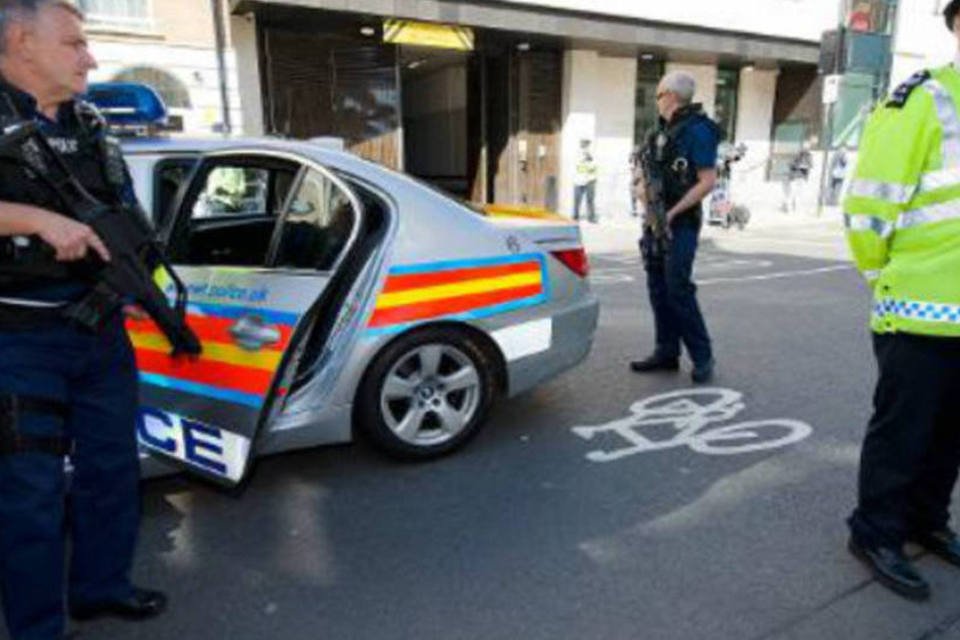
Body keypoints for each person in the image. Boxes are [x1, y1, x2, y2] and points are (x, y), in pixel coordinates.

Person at [0, 2, 166, 638]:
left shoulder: (92, 124)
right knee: (30, 492)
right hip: (18, 340)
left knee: (111, 468)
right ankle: (37, 628)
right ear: (21, 41)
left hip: (98, 331)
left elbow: (123, 212)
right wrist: (37, 220)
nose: (90, 56)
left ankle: (101, 588)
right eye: (75, 43)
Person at [843, 0, 960, 602]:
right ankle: (876, 530)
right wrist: (881, 276)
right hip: (917, 309)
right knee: (904, 431)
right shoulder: (926, 99)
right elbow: (868, 207)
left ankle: (926, 520)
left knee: (949, 437)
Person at [630, 71, 719, 383]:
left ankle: (702, 357)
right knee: (657, 287)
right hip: (654, 220)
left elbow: (708, 181)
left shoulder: (699, 130)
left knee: (678, 288)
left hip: (681, 222)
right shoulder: (658, 131)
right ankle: (666, 352)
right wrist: (642, 190)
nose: (656, 101)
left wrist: (671, 213)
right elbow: (644, 170)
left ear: (669, 94)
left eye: (657, 95)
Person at [782, 143, 812, 213]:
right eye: (805, 149)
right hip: (795, 176)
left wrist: (806, 166)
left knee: (799, 193)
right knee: (791, 193)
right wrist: (797, 165)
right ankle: (788, 209)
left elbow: (811, 165)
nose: (806, 150)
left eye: (807, 149)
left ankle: (796, 209)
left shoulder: (809, 156)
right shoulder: (797, 155)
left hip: (803, 177)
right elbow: (790, 164)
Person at [573, 138, 598, 223]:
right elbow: (577, 165)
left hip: (590, 179)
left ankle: (591, 217)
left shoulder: (592, 152)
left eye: (586, 143)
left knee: (590, 200)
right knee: (577, 199)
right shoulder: (577, 153)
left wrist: (589, 157)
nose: (584, 145)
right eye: (583, 143)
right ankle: (575, 216)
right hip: (578, 179)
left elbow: (594, 165)